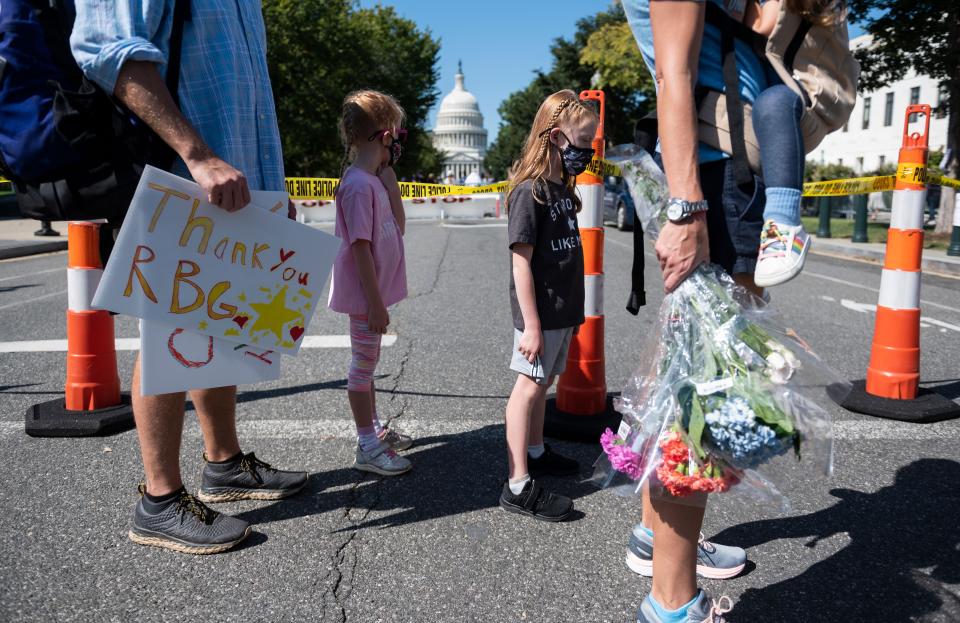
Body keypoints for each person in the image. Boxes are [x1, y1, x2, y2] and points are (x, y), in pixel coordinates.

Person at [71, 0, 307, 555]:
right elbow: (109, 50)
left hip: (232, 182)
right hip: (178, 171)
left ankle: (223, 463)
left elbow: (247, 93)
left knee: (213, 321)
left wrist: (272, 190)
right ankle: (159, 501)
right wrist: (196, 154)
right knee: (170, 323)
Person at [621, 0, 776, 619]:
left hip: (713, 170)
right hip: (712, 174)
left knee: (682, 392)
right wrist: (687, 211)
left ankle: (661, 551)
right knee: (705, 403)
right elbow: (674, 72)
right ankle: (673, 604)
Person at [498, 91, 598, 522]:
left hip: (562, 310)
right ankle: (518, 483)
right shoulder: (529, 192)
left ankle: (536, 450)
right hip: (540, 314)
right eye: (582, 142)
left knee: (545, 384)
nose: (587, 152)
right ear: (555, 138)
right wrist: (532, 325)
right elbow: (521, 265)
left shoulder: (561, 187)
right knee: (528, 387)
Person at [328, 90, 414, 477]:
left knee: (369, 363)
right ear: (384, 137)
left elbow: (399, 227)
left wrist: (391, 180)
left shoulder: (372, 181)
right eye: (398, 136)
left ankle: (374, 430)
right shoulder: (358, 186)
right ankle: (367, 444)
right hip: (367, 297)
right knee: (362, 369)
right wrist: (375, 303)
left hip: (373, 294)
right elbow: (360, 249)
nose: (398, 145)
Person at [732, 0, 846, 287]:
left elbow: (760, 22)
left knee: (773, 102)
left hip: (805, 102)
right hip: (775, 119)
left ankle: (784, 223)